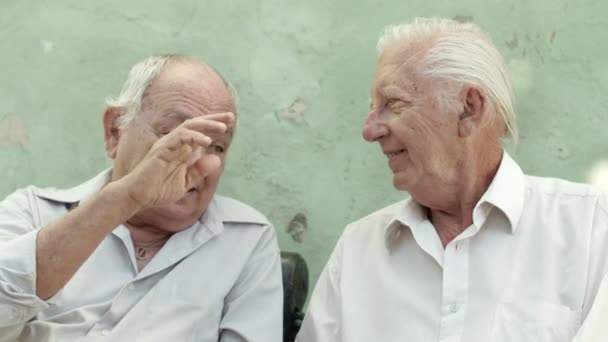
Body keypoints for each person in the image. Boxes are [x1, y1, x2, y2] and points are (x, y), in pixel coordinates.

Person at [296, 17, 608, 342]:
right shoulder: (358, 248)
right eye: (372, 108)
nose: (370, 130)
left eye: (393, 103)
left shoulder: (591, 229)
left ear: (469, 109)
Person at [0, 55, 283, 342]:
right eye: (174, 135)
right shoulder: (31, 212)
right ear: (115, 130)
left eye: (216, 146)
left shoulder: (246, 240)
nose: (195, 159)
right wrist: (127, 198)